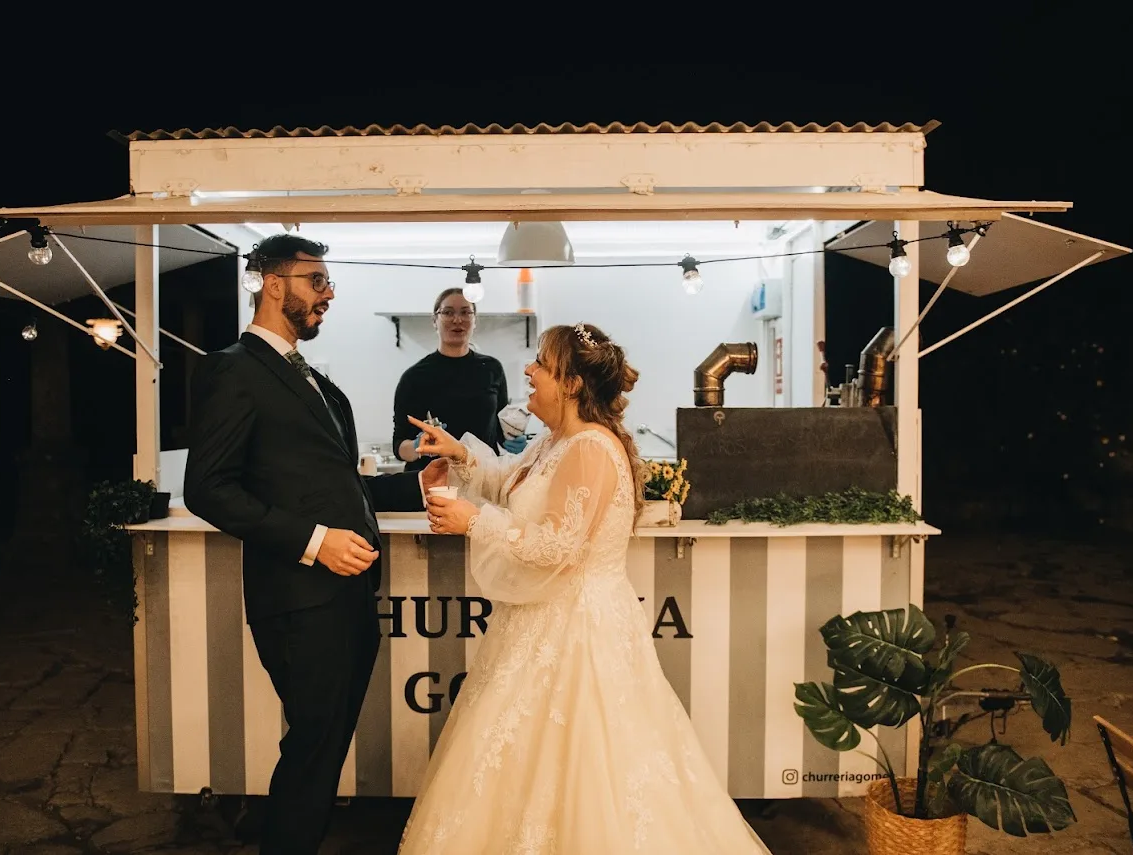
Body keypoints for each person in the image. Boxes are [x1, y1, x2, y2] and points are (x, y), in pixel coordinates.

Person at [397, 323, 773, 854]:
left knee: (592, 774)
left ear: (570, 383)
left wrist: (472, 522)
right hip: (539, 623)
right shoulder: (556, 441)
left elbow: (559, 548)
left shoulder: (592, 449)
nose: (527, 372)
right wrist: (462, 456)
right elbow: (512, 484)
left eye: (541, 365)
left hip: (579, 634)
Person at [182, 233, 447, 855]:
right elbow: (207, 489)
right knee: (313, 748)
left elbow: (341, 487)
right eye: (316, 281)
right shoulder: (233, 370)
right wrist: (313, 541)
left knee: (320, 748)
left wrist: (418, 485)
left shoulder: (319, 384)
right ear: (273, 284)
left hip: (349, 597)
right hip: (299, 598)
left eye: (329, 283)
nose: (328, 294)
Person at [392, 287, 527, 473]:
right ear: (434, 320)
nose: (457, 320)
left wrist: (514, 441)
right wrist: (418, 445)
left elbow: (499, 430)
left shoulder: (492, 369)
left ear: (475, 321)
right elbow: (399, 447)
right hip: (434, 481)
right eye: (448, 313)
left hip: (482, 477)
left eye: (465, 312)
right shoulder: (414, 377)